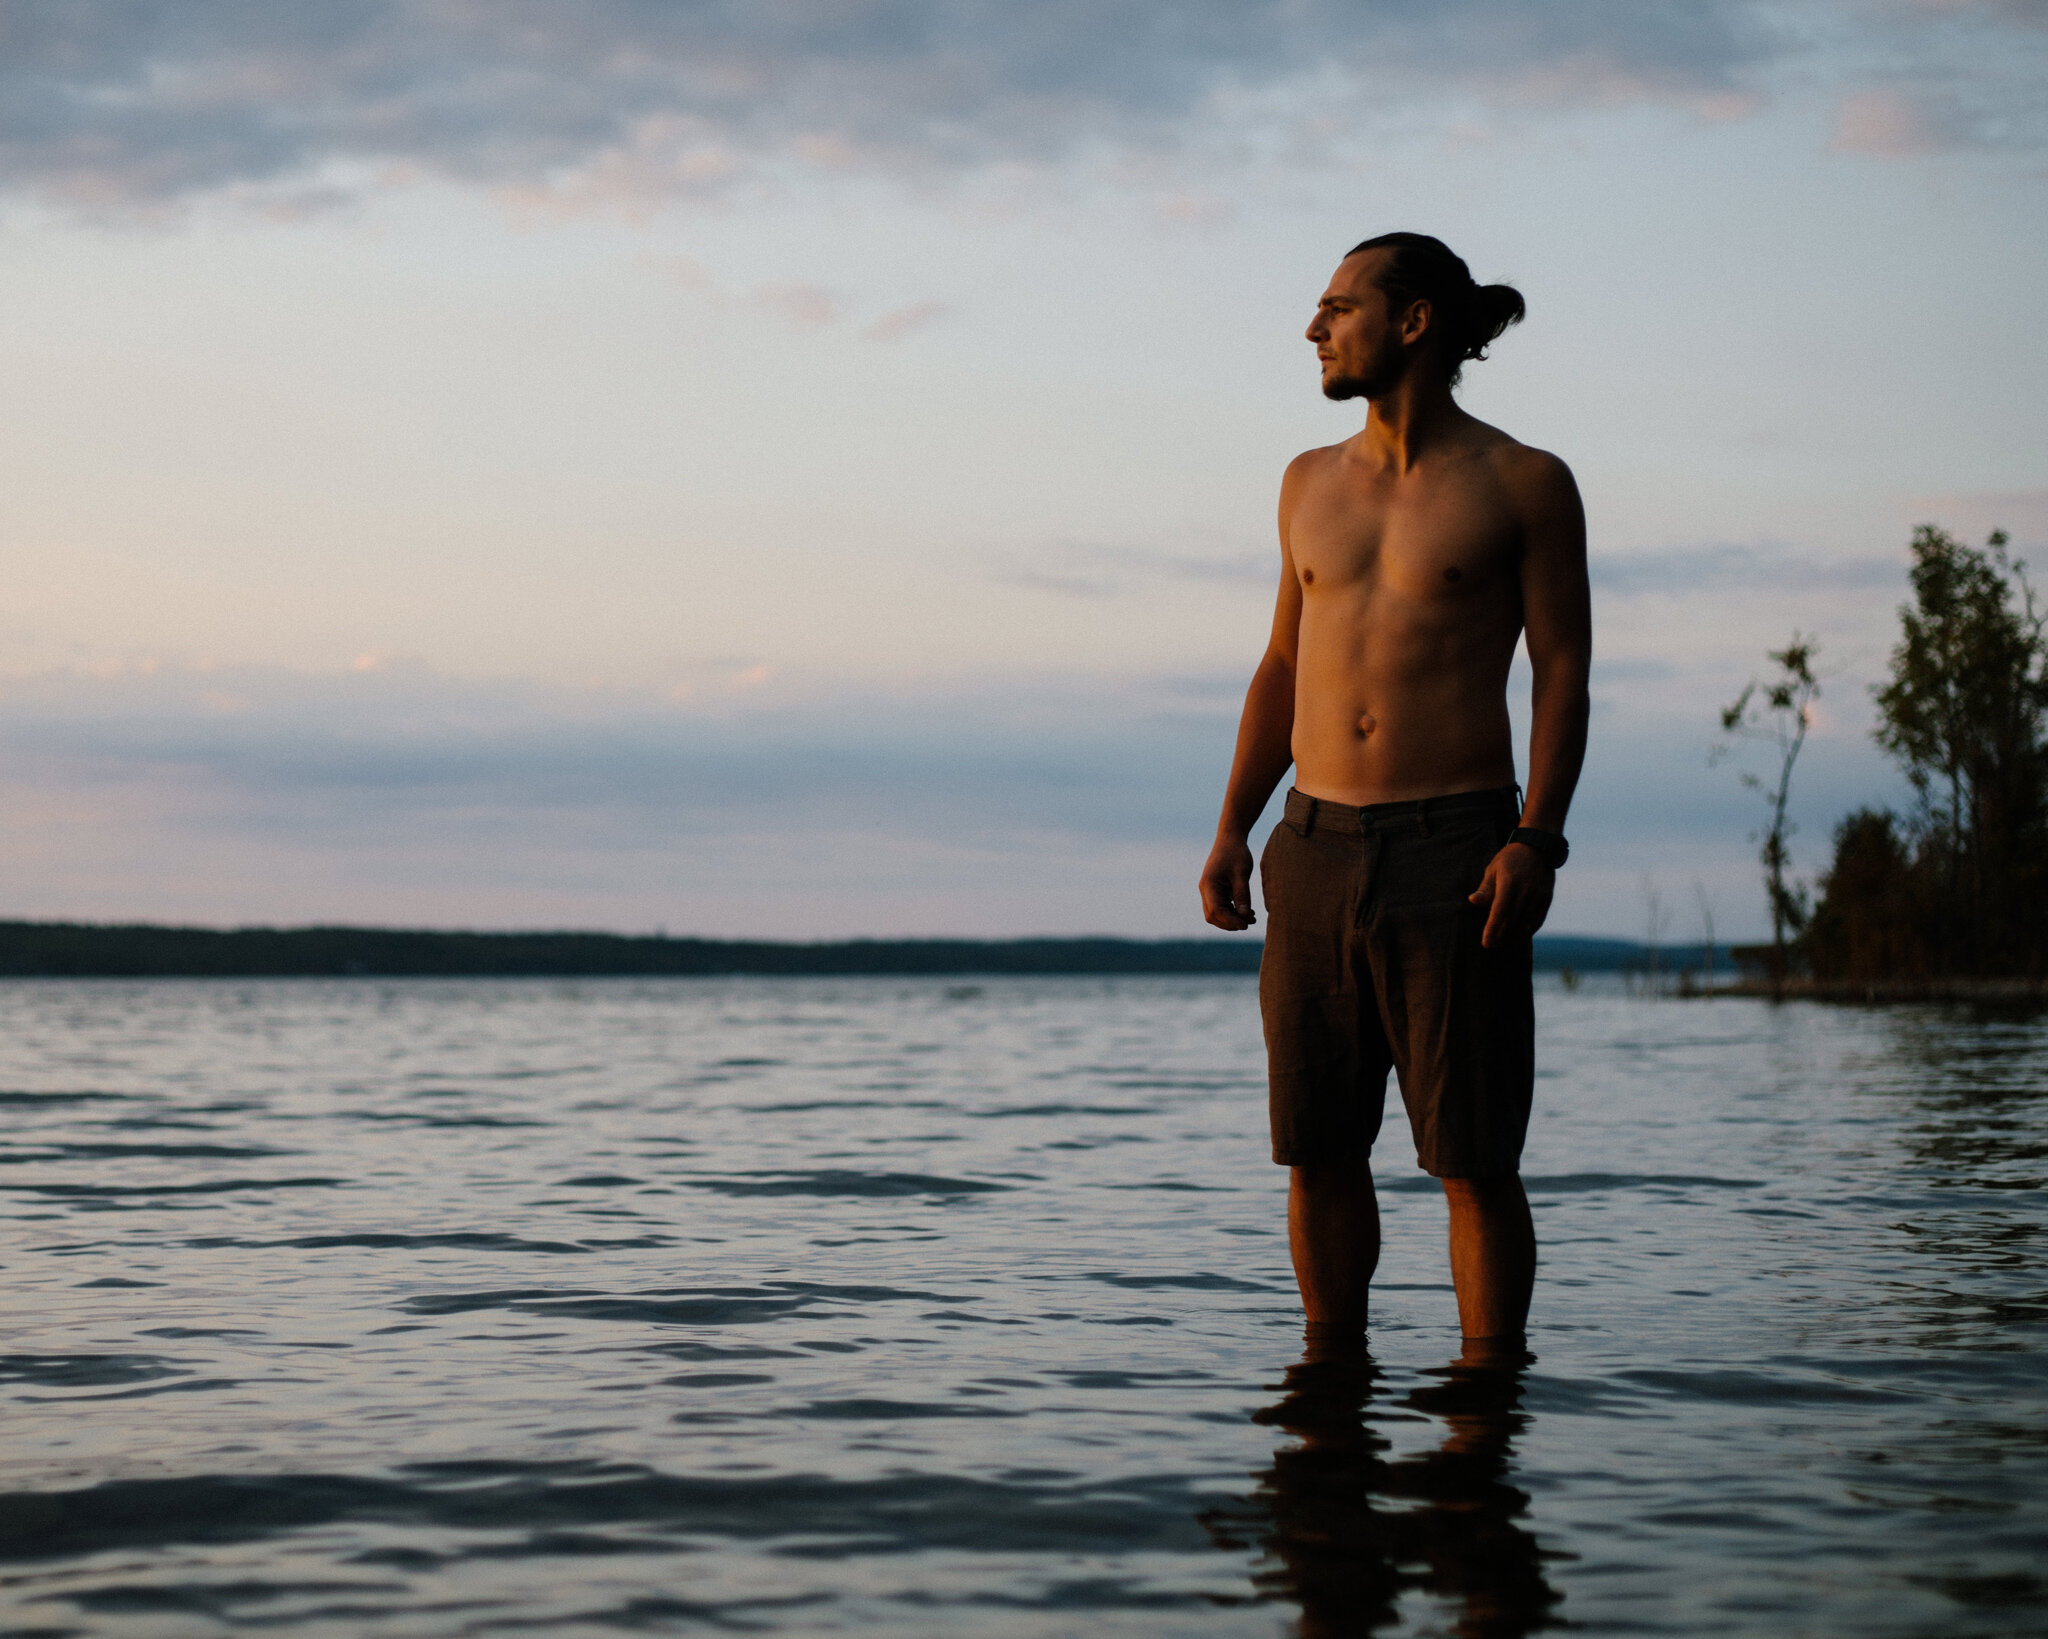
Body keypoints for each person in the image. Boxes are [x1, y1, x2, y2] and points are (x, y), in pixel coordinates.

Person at [1199, 232, 1590, 1354]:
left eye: (1336, 307)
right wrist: (1232, 824)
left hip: (1454, 846)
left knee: (1471, 1157)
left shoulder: (1523, 482)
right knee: (1316, 1149)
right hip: (1311, 844)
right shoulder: (1304, 483)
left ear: (1412, 321)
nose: (1313, 329)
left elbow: (1560, 668)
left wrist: (1535, 839)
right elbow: (1282, 663)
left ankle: (1483, 1409)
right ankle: (1329, 1391)